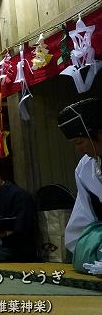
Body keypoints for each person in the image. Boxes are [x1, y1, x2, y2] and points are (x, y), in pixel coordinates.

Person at [58, 98, 102, 273]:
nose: (78, 149)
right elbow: (84, 216)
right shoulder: (86, 167)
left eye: (79, 142)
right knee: (87, 251)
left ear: (99, 134)